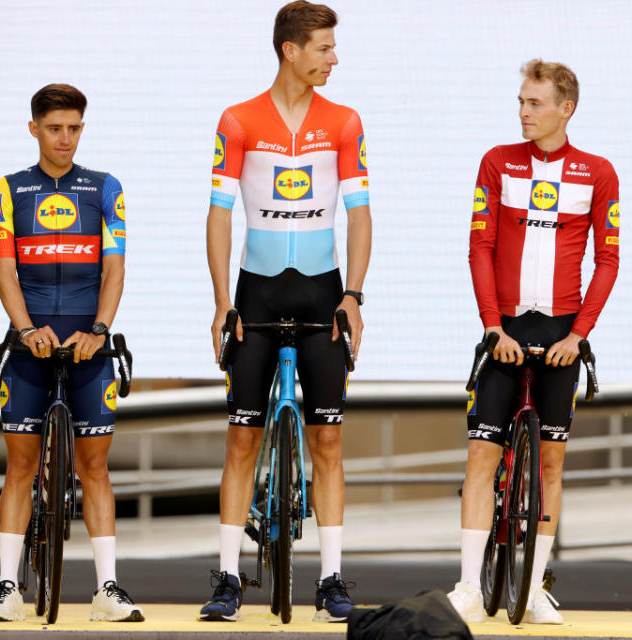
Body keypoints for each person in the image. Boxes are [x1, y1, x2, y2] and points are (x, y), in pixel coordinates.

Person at [200, 0, 371, 623]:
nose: (333, 58)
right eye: (324, 48)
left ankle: (330, 579)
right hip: (257, 293)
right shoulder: (238, 119)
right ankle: (225, 576)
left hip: (323, 292)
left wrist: (353, 294)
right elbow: (221, 215)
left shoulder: (344, 120)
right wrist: (222, 300)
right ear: (289, 51)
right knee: (241, 438)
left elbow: (359, 213)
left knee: (328, 439)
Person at [447, 59, 620, 625]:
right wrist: (493, 326)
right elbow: (480, 247)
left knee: (550, 463)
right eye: (521, 101)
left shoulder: (598, 172)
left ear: (565, 108)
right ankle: (470, 584)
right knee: (481, 454)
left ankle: (536, 585)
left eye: (535, 103)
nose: (523, 111)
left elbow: (608, 259)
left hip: (560, 334)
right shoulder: (496, 163)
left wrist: (579, 334)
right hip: (506, 329)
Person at [0, 84, 142, 622]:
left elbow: (114, 268)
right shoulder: (6, 190)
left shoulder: (105, 187)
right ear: (34, 129)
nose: (66, 138)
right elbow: (5, 272)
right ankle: (7, 588)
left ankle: (108, 588)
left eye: (75, 127)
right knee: (20, 466)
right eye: (55, 128)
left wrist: (100, 328)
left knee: (95, 468)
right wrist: (25, 331)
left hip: (87, 341)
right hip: (31, 341)